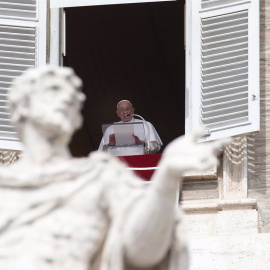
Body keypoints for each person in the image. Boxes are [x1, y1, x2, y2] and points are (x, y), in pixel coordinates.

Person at [0, 66, 229, 270]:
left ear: (77, 117)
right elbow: (103, 149)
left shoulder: (103, 178)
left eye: (71, 98)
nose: (64, 100)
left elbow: (141, 251)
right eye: (52, 91)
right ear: (20, 107)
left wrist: (166, 178)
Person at [98, 100, 163, 153]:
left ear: (132, 110)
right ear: (117, 113)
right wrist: (110, 145)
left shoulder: (145, 124)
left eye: (127, 109)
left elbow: (156, 147)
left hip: (141, 161)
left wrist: (142, 144)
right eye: (121, 110)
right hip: (120, 165)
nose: (125, 112)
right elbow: (101, 154)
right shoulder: (110, 129)